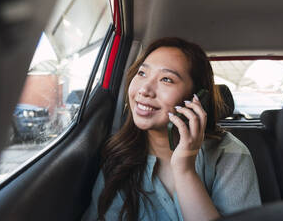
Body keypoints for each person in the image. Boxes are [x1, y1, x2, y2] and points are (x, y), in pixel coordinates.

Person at [82, 37, 261, 221]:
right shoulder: (118, 154)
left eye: (166, 79)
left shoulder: (229, 154)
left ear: (197, 98)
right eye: (142, 73)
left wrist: (185, 170)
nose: (144, 90)